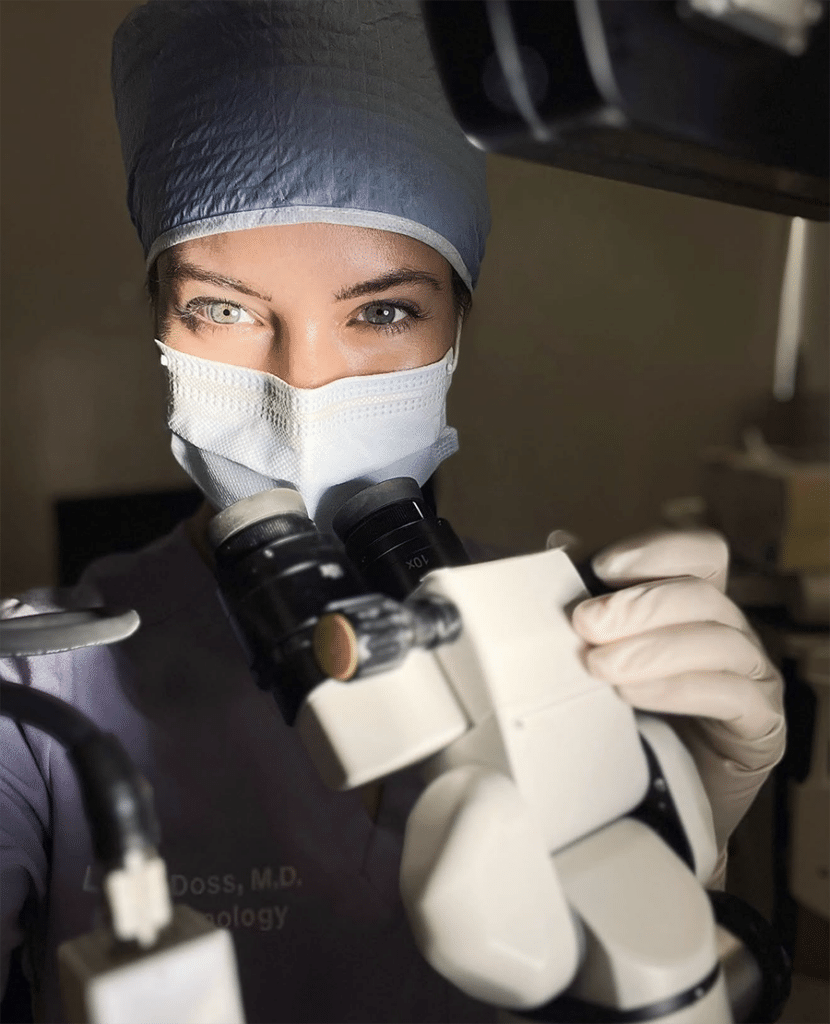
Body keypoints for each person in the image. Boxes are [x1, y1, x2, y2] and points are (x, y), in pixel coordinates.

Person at [0, 3, 785, 1022]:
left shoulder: (566, 646)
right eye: (224, 308)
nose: (305, 382)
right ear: (159, 314)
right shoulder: (40, 692)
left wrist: (678, 837)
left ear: (457, 326)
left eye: (382, 310)